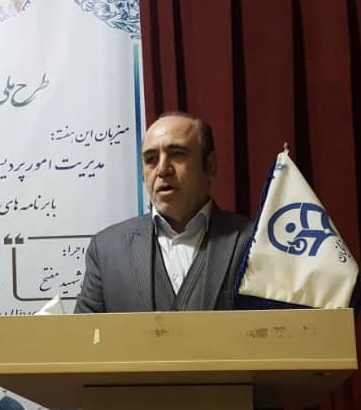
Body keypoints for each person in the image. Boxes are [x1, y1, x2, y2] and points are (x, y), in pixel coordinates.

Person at [74, 112, 254, 313]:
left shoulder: (253, 243)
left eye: (177, 154)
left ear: (210, 166)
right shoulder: (106, 250)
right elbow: (84, 332)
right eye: (151, 159)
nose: (162, 169)